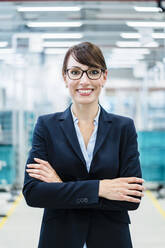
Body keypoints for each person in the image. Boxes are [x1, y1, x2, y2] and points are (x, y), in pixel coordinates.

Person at [22, 41, 144, 248]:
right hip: (60, 238)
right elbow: (33, 193)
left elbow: (131, 198)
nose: (84, 81)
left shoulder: (123, 128)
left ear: (104, 77)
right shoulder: (47, 126)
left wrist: (61, 188)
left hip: (111, 240)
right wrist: (101, 188)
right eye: (76, 72)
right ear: (65, 77)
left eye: (93, 72)